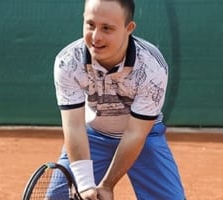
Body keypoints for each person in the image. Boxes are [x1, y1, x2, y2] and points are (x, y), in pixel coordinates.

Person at [53, 0, 185, 199]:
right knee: (57, 197)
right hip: (93, 137)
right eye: (90, 25)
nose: (96, 37)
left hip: (144, 139)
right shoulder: (68, 62)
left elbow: (135, 133)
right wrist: (85, 184)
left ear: (128, 28)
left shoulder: (151, 66)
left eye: (107, 28)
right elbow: (73, 127)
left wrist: (107, 185)